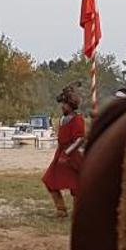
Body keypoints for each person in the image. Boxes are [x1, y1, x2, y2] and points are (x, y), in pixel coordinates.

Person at [42, 85, 86, 216]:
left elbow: (79, 139)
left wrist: (66, 154)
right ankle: (61, 209)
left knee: (77, 185)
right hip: (60, 152)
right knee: (50, 180)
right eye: (62, 104)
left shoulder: (77, 119)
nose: (62, 106)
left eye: (65, 104)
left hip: (71, 155)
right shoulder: (63, 118)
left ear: (71, 105)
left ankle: (79, 211)